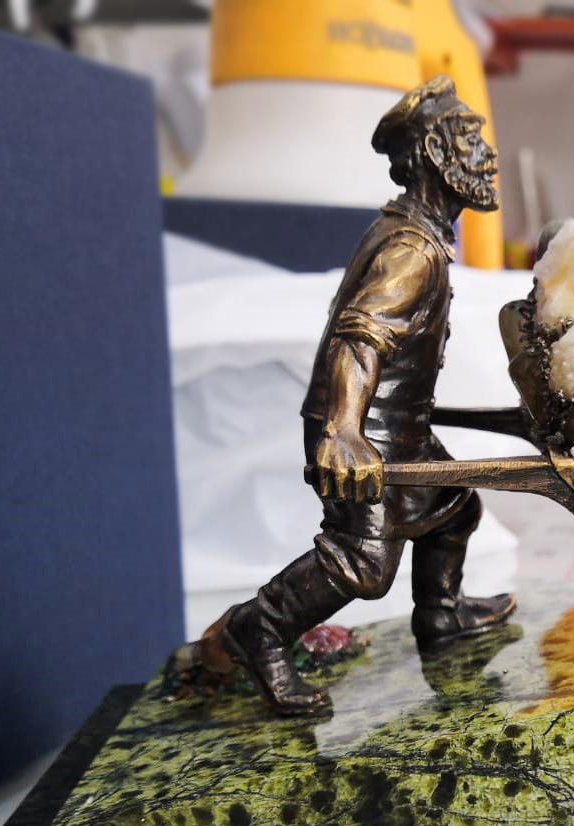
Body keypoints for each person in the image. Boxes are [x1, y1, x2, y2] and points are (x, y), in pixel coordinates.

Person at [201, 76, 515, 715]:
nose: (487, 155)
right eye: (470, 139)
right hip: (363, 429)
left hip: (396, 425)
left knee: (453, 508)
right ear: (435, 153)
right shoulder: (411, 251)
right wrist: (343, 431)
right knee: (363, 562)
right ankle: (258, 629)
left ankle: (441, 614)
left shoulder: (415, 232)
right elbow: (359, 336)